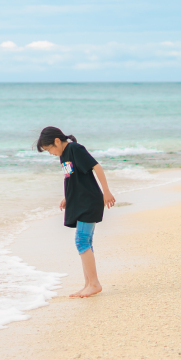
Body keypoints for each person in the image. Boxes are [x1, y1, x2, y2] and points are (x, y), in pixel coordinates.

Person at [36, 126, 115, 298]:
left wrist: (106, 191)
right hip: (79, 202)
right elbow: (72, 178)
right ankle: (88, 284)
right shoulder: (64, 155)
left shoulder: (74, 149)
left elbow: (96, 167)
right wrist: (67, 197)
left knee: (81, 240)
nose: (50, 153)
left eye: (50, 149)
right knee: (85, 241)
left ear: (57, 141)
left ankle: (94, 284)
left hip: (89, 201)